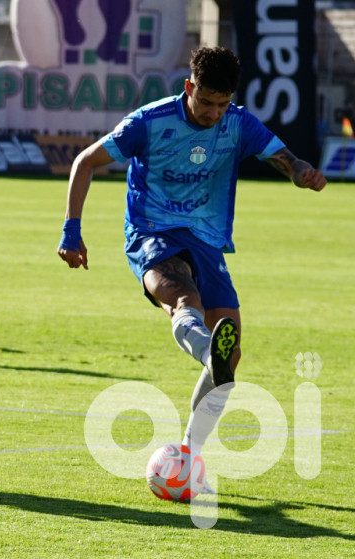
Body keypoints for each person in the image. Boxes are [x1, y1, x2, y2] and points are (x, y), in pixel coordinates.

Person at [58, 47, 326, 488]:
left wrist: (302, 173)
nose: (214, 113)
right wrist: (71, 231)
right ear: (189, 88)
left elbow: (286, 160)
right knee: (184, 300)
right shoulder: (149, 121)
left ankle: (187, 457)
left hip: (206, 242)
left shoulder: (238, 123)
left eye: (222, 104)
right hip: (151, 233)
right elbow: (85, 162)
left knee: (232, 353)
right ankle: (206, 351)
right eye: (206, 103)